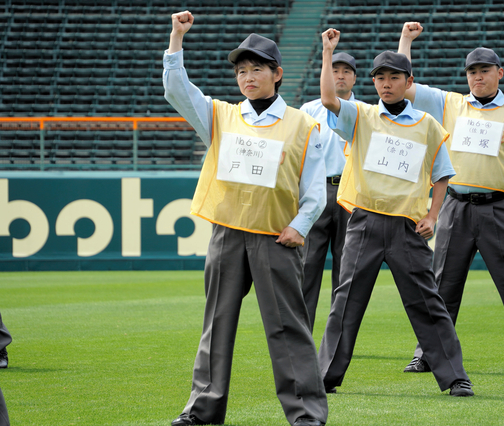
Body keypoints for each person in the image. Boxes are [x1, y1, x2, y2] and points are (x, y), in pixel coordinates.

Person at [163, 11, 328, 426]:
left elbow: (315, 192)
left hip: (276, 238)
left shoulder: (305, 126)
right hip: (227, 235)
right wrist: (176, 39)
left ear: (277, 74)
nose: (247, 76)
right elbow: (178, 92)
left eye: (256, 69)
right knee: (216, 325)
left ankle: (306, 414)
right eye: (241, 70)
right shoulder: (221, 116)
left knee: (288, 329)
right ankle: (201, 410)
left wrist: (300, 226)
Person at [316, 28, 474, 397]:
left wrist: (433, 216)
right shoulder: (361, 116)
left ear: (409, 82)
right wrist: (328, 53)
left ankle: (454, 377)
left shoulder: (428, 127)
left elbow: (441, 176)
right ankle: (324, 376)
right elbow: (327, 99)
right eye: (380, 78)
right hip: (364, 222)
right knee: (345, 302)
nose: (386, 84)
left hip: (408, 228)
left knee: (428, 303)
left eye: (394, 77)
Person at [397, 22, 504, 376]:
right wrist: (406, 40)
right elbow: (405, 85)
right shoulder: (451, 104)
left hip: (499, 209)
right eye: (472, 71)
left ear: (499, 73)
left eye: (484, 70)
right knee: (439, 285)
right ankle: (428, 353)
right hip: (455, 205)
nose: (477, 77)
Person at [300, 52, 359, 332]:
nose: (340, 75)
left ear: (355, 78)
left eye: (347, 71)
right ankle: (302, 331)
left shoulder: (367, 112)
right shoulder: (309, 110)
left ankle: (338, 336)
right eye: (335, 70)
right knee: (307, 266)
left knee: (346, 270)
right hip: (317, 190)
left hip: (351, 193)